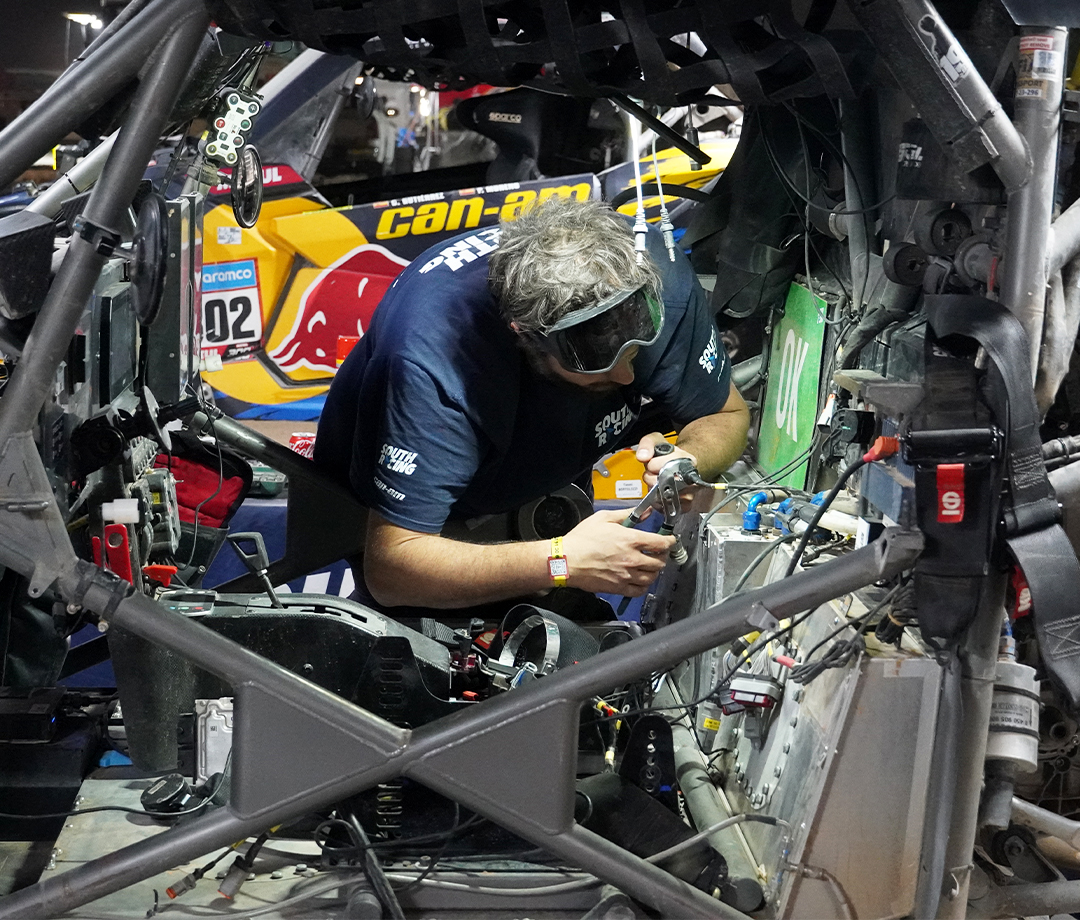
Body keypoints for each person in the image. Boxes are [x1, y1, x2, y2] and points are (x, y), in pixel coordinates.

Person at [313, 196, 749, 618]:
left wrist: (690, 459)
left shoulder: (653, 269)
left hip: (545, 473)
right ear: (525, 335)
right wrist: (561, 562)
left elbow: (726, 414)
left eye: (636, 354)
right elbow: (393, 570)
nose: (626, 380)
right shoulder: (433, 360)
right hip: (433, 525)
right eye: (600, 366)